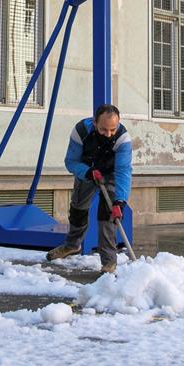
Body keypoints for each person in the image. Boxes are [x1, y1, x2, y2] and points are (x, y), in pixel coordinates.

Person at [46, 104, 132, 273]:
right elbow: (70, 162)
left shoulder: (123, 139)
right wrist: (87, 172)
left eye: (112, 129)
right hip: (86, 171)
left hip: (111, 174)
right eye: (103, 130)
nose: (108, 134)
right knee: (78, 208)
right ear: (94, 123)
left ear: (119, 123)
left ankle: (109, 262)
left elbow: (123, 171)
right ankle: (72, 245)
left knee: (108, 214)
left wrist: (119, 201)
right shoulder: (81, 132)